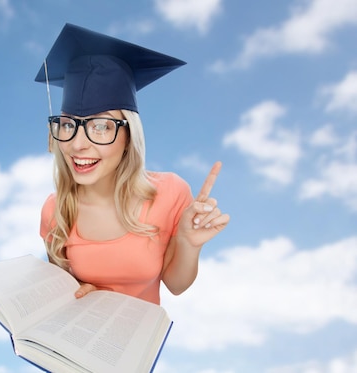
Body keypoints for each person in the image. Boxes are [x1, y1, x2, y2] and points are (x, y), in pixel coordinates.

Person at [36, 23, 230, 305]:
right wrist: (76, 292)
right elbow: (62, 290)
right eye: (67, 125)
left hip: (141, 343)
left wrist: (188, 243)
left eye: (101, 126)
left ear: (129, 136)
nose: (78, 144)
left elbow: (176, 285)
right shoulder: (55, 210)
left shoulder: (170, 192)